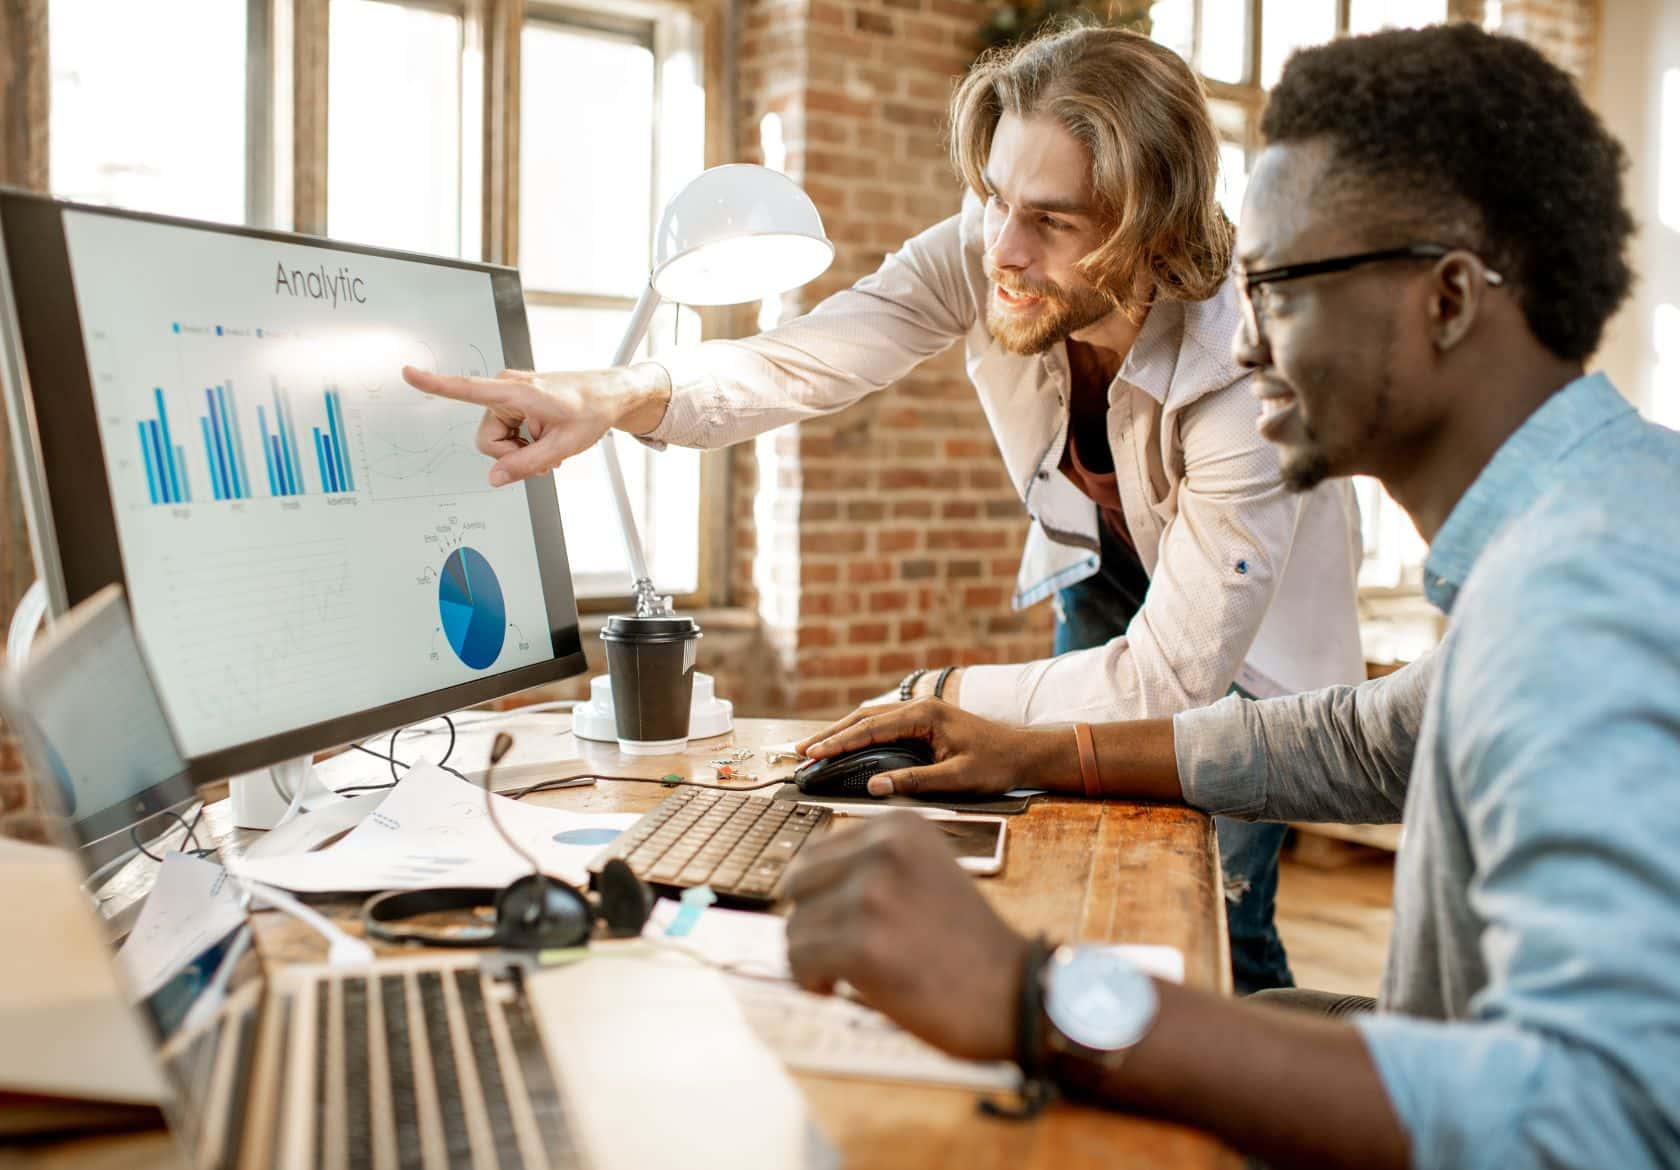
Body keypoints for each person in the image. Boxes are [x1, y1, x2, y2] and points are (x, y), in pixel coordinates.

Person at [778, 23, 1680, 1170]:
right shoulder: (1589, 517)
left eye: (1283, 288)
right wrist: (1031, 749)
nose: (1240, 344)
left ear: (1448, 300)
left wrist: (1029, 993)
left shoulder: (1589, 591)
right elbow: (1365, 739)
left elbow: (1603, 1121)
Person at [403, 25, 1367, 993]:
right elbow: (807, 356)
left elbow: (1169, 683)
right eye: (994, 197)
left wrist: (937, 694)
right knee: (1081, 845)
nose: (1002, 248)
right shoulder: (988, 245)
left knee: (1214, 893)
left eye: (1052, 221)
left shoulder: (1245, 364)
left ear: (1145, 226)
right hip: (1107, 570)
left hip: (1246, 646)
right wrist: (613, 396)